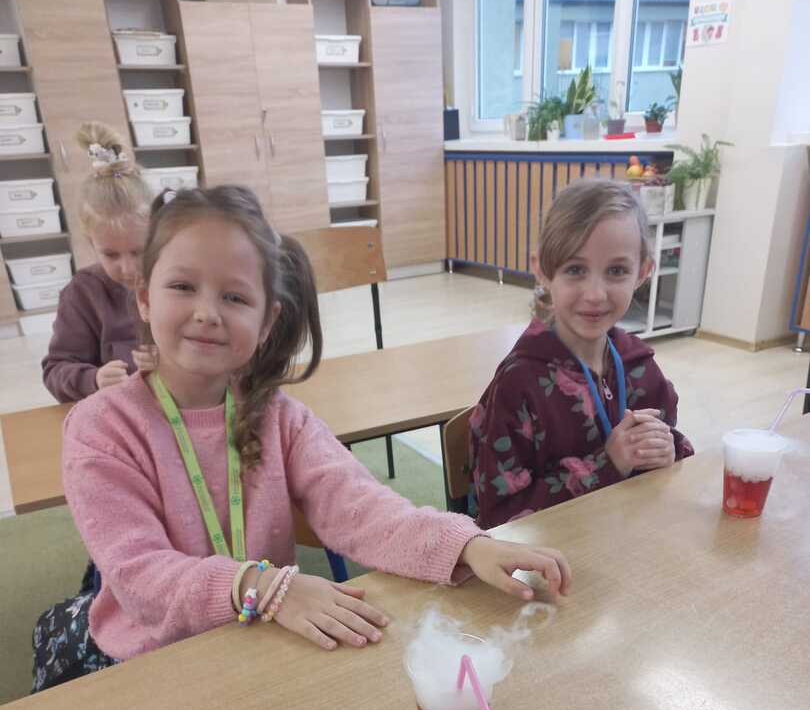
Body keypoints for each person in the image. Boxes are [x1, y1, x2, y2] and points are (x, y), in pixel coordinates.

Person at [49, 184, 570, 678]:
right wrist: (264, 587)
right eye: (183, 287)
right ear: (144, 297)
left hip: (267, 640)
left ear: (267, 321)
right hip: (154, 665)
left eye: (235, 297)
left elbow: (361, 508)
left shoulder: (280, 417)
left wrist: (467, 545)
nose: (206, 313)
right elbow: (140, 577)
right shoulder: (100, 428)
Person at [469, 178, 694, 530]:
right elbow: (499, 518)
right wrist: (607, 465)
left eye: (616, 271)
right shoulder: (519, 385)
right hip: (551, 558)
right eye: (575, 269)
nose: (595, 294)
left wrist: (671, 450)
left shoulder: (640, 368)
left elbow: (669, 464)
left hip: (633, 545)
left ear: (643, 272)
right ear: (543, 270)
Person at [41, 121, 157, 403]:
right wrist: (93, 379)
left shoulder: (180, 282)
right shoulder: (82, 294)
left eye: (138, 252)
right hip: (115, 414)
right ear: (91, 243)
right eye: (111, 254)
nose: (127, 269)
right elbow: (55, 370)